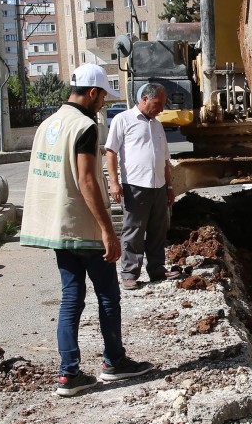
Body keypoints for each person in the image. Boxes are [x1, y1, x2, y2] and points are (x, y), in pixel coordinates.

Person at [20, 63, 154, 396]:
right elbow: (87, 179)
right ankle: (114, 362)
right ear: (92, 93)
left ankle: (68, 374)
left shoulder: (48, 124)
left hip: (59, 228)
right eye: (103, 99)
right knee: (108, 296)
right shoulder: (85, 126)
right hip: (85, 228)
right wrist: (107, 231)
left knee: (71, 299)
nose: (103, 105)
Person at [105, 81, 178, 290]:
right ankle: (129, 273)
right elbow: (111, 152)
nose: (162, 109)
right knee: (134, 231)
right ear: (145, 99)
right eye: (158, 103)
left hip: (159, 186)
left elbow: (164, 159)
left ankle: (157, 269)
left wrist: (169, 187)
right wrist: (114, 183)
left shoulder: (157, 125)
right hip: (135, 186)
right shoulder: (123, 120)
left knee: (157, 230)